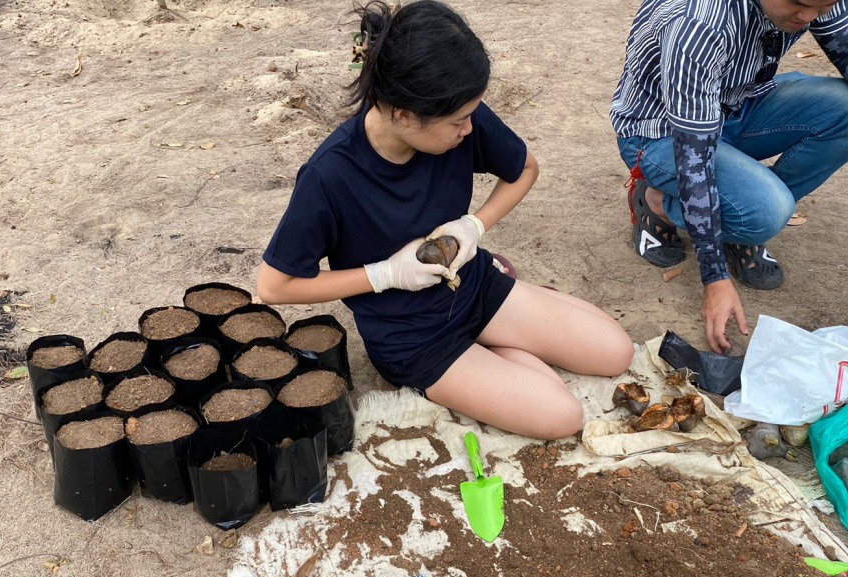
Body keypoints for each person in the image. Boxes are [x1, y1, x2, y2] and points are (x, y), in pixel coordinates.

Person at [257, 0, 634, 441]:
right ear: (404, 115)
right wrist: (384, 275)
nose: (469, 130)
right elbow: (274, 286)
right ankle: (490, 355)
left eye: (470, 115)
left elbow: (524, 170)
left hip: (471, 285)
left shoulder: (453, 112)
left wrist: (472, 227)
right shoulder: (330, 176)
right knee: (563, 416)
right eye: (459, 121)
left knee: (617, 353)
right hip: (412, 336)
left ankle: (497, 335)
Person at [610, 0, 848, 353]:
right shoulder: (699, 25)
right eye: (799, 3)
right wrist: (714, 277)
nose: (807, 17)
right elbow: (694, 158)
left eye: (821, 9)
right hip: (661, 133)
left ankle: (739, 215)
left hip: (735, 103)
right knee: (768, 211)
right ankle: (658, 202)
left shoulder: (814, 1)